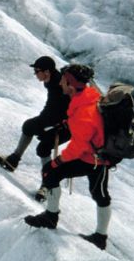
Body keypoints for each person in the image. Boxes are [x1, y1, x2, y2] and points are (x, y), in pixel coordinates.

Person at [24, 64, 112, 250]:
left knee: (50, 172)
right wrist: (65, 124)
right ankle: (100, 237)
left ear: (71, 84)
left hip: (92, 159)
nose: (60, 82)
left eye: (63, 80)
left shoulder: (84, 111)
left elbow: (78, 146)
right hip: (97, 156)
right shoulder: (86, 97)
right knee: (100, 194)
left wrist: (59, 160)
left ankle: (51, 216)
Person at [0, 56, 70, 201]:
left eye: (36, 71)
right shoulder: (51, 81)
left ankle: (47, 185)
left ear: (47, 71)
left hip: (64, 127)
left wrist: (54, 125)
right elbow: (51, 108)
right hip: (53, 122)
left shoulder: (60, 84)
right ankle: (13, 160)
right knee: (29, 127)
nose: (35, 74)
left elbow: (63, 108)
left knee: (43, 147)